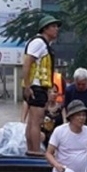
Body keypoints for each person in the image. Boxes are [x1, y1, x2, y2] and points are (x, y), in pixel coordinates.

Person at [22, 14, 62, 153]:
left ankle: (31, 151)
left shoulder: (44, 44)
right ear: (45, 29)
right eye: (53, 26)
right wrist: (27, 86)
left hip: (37, 86)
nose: (56, 29)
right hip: (36, 87)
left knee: (32, 122)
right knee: (36, 123)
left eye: (57, 26)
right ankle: (35, 152)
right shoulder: (39, 43)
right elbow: (27, 63)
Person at [40, 85, 64, 150]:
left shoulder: (61, 108)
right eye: (50, 92)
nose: (53, 94)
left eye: (55, 92)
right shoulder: (42, 107)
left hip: (58, 137)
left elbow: (65, 123)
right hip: (44, 137)